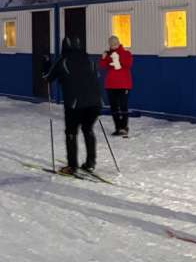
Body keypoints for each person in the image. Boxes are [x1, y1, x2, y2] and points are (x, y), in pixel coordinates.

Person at [44, 37, 102, 175]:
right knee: (88, 130)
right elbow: (96, 77)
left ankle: (72, 166)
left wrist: (45, 64)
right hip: (95, 102)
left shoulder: (63, 61)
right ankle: (90, 162)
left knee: (71, 133)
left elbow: (48, 78)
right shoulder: (90, 60)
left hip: (75, 104)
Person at [98, 35, 133, 137]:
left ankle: (124, 127)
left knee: (123, 106)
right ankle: (118, 127)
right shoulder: (109, 55)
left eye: (115, 43)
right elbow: (102, 66)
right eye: (112, 44)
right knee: (114, 107)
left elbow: (128, 64)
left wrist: (118, 59)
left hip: (123, 84)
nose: (114, 46)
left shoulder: (126, 53)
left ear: (119, 43)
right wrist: (104, 58)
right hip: (111, 85)